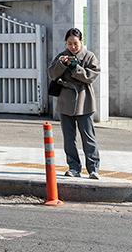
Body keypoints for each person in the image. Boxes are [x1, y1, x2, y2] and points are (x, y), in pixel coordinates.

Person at [48, 27, 101, 179]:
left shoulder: (89, 56)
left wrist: (75, 68)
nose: (72, 46)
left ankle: (93, 168)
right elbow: (51, 74)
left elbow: (91, 76)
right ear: (66, 43)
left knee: (88, 137)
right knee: (69, 138)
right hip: (65, 101)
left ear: (81, 42)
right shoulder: (61, 56)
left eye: (75, 43)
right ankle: (73, 167)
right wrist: (62, 65)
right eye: (69, 43)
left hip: (85, 101)